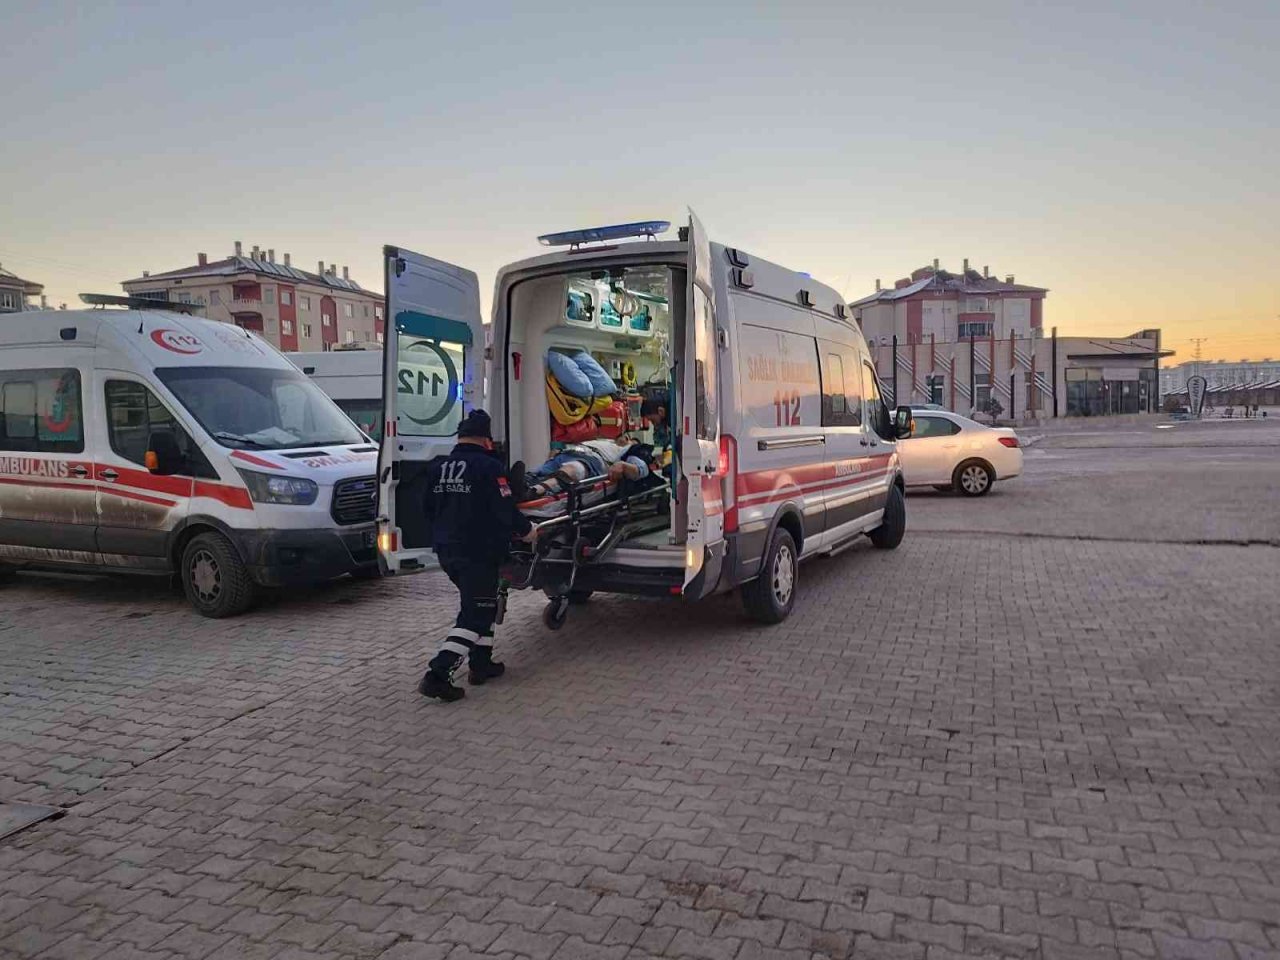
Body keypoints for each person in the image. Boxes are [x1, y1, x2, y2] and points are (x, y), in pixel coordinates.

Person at [418, 409, 535, 703]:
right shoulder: (489, 467)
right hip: (478, 551)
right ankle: (438, 674)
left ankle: (482, 664)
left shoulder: (438, 467)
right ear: (486, 439)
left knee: (482, 602)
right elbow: (504, 509)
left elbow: (427, 509)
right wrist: (527, 531)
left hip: (448, 550)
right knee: (477, 613)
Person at [513, 438, 657, 501]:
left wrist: (623, 466)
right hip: (568, 453)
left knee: (571, 470)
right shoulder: (605, 441)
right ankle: (518, 485)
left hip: (592, 462)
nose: (626, 437)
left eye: (630, 438)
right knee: (540, 471)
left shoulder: (629, 451)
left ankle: (533, 491)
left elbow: (640, 470)